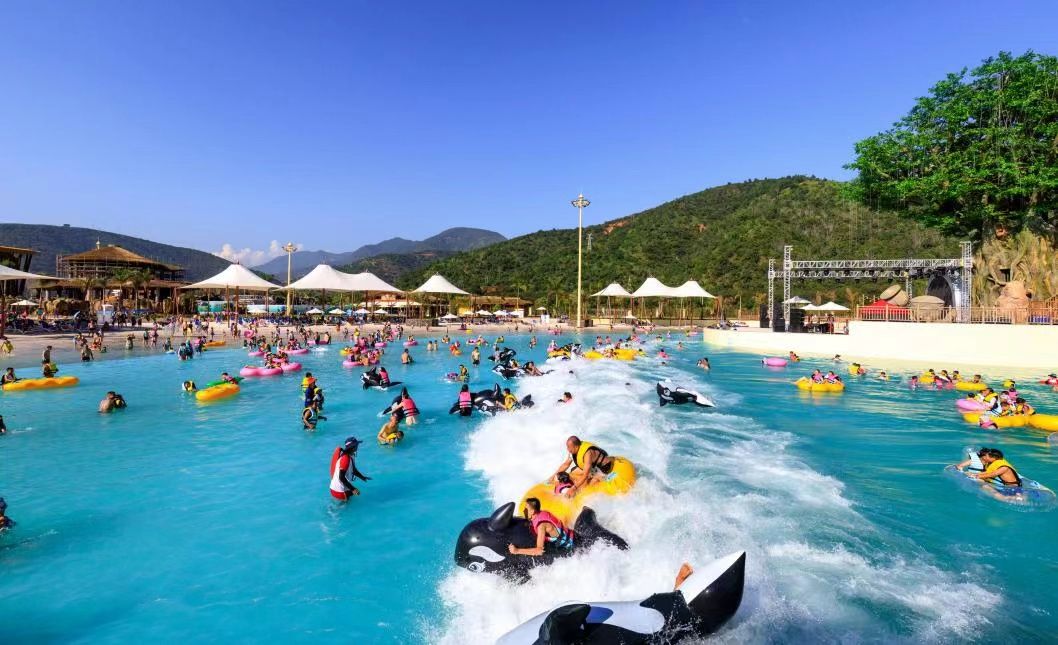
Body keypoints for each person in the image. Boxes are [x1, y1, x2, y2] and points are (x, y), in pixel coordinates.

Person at [507, 497, 574, 557]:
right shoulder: (542, 513)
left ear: (532, 511)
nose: (524, 510)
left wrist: (517, 551)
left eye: (526, 509)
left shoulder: (541, 526)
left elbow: (539, 551)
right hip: (573, 535)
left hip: (572, 545)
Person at [551, 436, 615, 491]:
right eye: (567, 447)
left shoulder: (587, 454)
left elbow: (585, 475)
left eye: (569, 447)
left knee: (591, 483)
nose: (568, 449)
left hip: (603, 468)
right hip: (592, 467)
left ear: (575, 446)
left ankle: (603, 478)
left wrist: (573, 489)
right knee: (573, 470)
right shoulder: (573, 451)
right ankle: (581, 481)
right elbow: (566, 465)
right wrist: (552, 477)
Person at [953, 447, 1022, 488]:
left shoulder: (1003, 467)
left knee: (984, 486)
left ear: (993, 458)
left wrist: (976, 476)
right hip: (1003, 485)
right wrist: (973, 474)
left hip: (1012, 487)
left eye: (987, 456)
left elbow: (992, 474)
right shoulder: (992, 464)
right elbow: (988, 473)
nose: (985, 457)